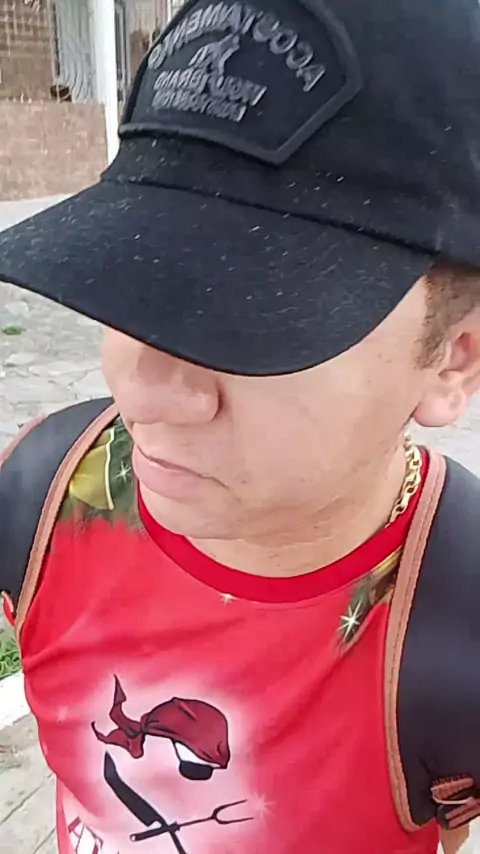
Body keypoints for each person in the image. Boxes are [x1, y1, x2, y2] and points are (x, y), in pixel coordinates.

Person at [1, 0, 480, 851]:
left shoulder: (459, 618)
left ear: (452, 360)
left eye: (259, 317)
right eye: (133, 280)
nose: (145, 388)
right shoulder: (42, 493)